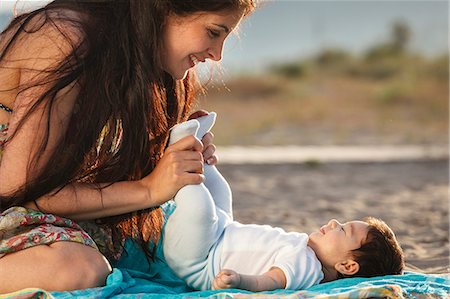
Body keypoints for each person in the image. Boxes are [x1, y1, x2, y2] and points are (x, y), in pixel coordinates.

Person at [0, 0, 256, 293]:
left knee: (177, 250)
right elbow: (18, 187)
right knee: (79, 270)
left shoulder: (132, 56)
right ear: (163, 9)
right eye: (213, 32)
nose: (217, 54)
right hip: (13, 201)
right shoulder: (63, 37)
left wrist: (174, 163)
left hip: (24, 209)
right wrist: (149, 189)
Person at [163, 112, 405, 291]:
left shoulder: (308, 268)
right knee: (222, 193)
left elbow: (269, 281)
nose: (333, 222)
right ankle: (197, 154)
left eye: (342, 230)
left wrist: (237, 280)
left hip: (199, 261)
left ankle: (180, 153)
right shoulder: (308, 252)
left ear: (347, 266)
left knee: (202, 210)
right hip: (220, 232)